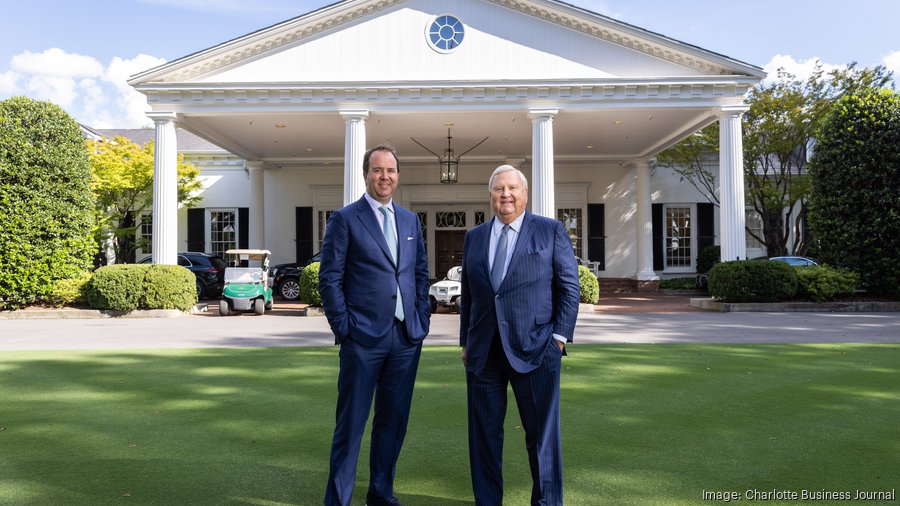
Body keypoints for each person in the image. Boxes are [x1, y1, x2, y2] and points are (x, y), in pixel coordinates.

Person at [459, 165, 580, 505]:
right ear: (491, 196)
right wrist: (465, 341)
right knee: (483, 438)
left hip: (537, 350)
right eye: (499, 189)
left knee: (541, 438)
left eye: (513, 188)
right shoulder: (475, 237)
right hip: (484, 354)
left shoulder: (550, 231)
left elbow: (569, 289)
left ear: (525, 194)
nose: (506, 194)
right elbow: (469, 293)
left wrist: (558, 339)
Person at [319, 144, 431, 506]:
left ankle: (381, 494)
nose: (385, 176)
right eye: (378, 170)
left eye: (391, 170)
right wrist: (344, 328)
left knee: (392, 423)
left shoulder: (411, 221)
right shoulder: (346, 219)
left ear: (398, 176)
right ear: (366, 174)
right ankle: (338, 500)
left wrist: (421, 321)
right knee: (350, 426)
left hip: (405, 339)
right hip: (362, 339)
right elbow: (329, 279)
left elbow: (418, 274)